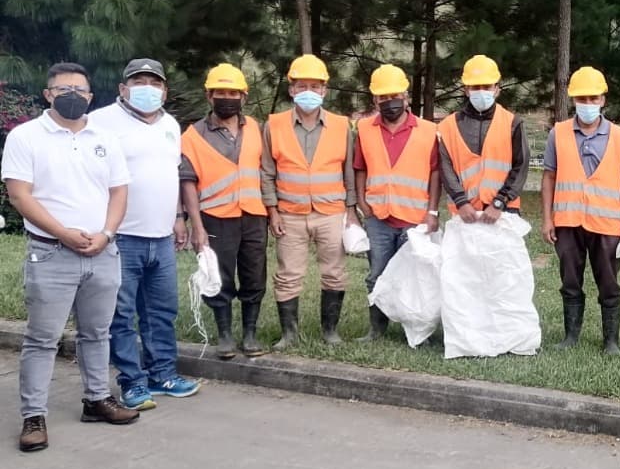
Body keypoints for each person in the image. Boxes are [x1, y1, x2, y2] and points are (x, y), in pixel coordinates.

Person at [2, 62, 140, 451]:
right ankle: (33, 416)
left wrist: (107, 234)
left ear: (91, 96)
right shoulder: (26, 136)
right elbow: (20, 195)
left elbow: (119, 192)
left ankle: (97, 399)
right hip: (51, 253)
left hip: (102, 250)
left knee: (97, 332)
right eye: (64, 89)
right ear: (47, 94)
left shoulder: (105, 137)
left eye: (80, 90)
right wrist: (63, 233)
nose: (73, 96)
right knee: (42, 339)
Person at [88, 58, 198, 410]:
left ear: (164, 90)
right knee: (121, 315)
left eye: (154, 82)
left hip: (162, 236)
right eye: (139, 81)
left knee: (162, 311)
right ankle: (131, 381)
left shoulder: (171, 124)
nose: (147, 88)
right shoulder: (101, 121)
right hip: (121, 236)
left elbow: (171, 175)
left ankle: (162, 374)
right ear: (123, 88)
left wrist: (179, 217)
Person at [261, 54, 361, 348]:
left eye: (314, 86)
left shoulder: (342, 126)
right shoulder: (274, 125)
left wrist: (351, 211)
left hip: (331, 212)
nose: (308, 91)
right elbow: (266, 172)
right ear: (291, 89)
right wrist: (272, 212)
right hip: (290, 214)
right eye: (301, 85)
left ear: (324, 90)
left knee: (334, 273)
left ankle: (330, 332)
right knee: (288, 274)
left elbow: (348, 173)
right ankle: (289, 334)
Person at [541, 66, 620, 355]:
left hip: (606, 224)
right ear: (573, 99)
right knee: (570, 281)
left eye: (592, 98)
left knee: (609, 283)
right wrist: (547, 218)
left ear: (603, 100)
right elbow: (549, 176)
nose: (587, 104)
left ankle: (611, 340)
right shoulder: (557, 134)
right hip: (568, 223)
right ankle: (571, 336)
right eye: (581, 98)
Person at [180, 64, 268, 359]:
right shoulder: (193, 136)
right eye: (221, 92)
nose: (227, 98)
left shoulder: (255, 127)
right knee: (221, 276)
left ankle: (251, 334)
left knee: (255, 274)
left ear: (244, 96)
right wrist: (196, 225)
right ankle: (225, 335)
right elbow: (188, 182)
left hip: (253, 214)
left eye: (233, 93)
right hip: (215, 216)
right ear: (209, 95)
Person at [353, 64, 440, 340]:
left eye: (395, 96)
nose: (390, 102)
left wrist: (433, 211)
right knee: (376, 273)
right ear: (374, 99)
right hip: (378, 217)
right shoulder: (364, 129)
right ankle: (376, 330)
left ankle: (414, 330)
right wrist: (362, 203)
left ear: (405, 95)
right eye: (383, 97)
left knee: (416, 277)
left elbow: (435, 172)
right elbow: (360, 167)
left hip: (415, 217)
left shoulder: (428, 130)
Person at [437, 54, 529, 221]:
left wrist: (500, 202)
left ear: (497, 89)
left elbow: (521, 166)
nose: (481, 92)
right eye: (475, 86)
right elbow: (445, 168)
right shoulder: (447, 126)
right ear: (466, 90)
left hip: (503, 211)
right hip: (464, 213)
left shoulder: (512, 123)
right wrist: (461, 202)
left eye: (487, 87)